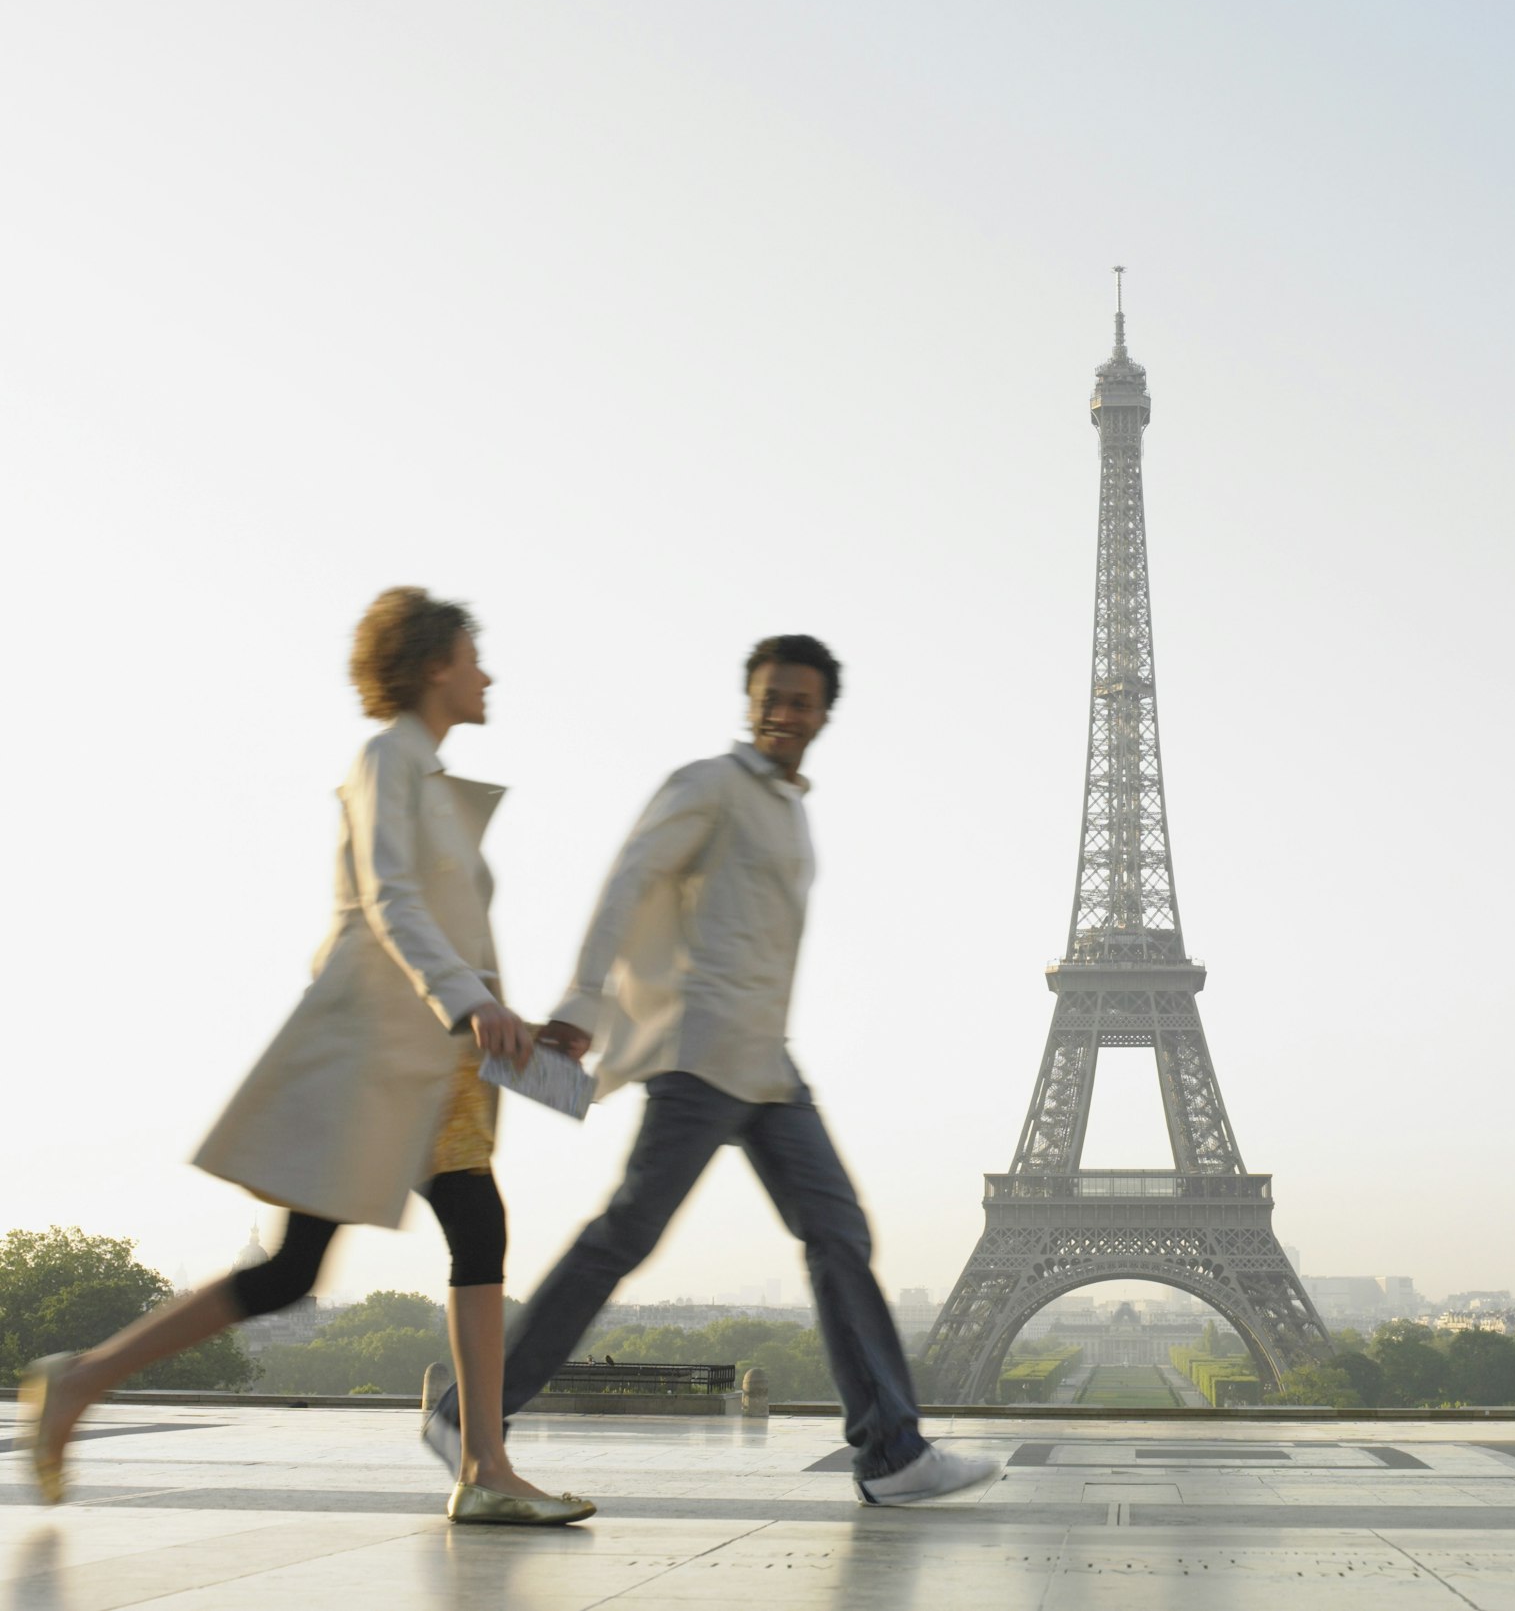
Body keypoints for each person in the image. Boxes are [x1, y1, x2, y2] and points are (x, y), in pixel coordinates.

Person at [23, 588, 593, 1527]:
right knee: (298, 1270)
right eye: (473, 656)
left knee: (468, 1232)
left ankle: (486, 1465)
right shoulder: (383, 761)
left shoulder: (426, 778)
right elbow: (391, 902)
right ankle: (80, 1381)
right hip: (372, 1054)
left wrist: (512, 1020)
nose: (487, 674)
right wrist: (475, 1002)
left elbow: (437, 925)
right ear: (433, 666)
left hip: (433, 1060)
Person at [427, 634, 996, 1505]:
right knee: (628, 1236)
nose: (783, 713)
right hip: (700, 1052)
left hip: (765, 1060)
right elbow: (630, 880)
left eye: (799, 700)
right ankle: (471, 1416)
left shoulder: (790, 809)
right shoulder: (710, 785)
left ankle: (892, 1454)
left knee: (837, 1232)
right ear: (751, 701)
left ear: (823, 714)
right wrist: (583, 1001)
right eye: (769, 696)